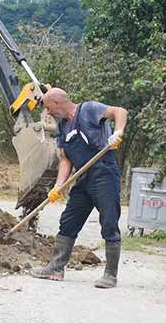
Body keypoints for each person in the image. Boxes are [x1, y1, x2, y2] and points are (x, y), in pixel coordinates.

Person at [30, 88, 127, 289]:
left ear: (57, 102)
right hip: (82, 178)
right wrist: (58, 186)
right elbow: (65, 159)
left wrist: (118, 132)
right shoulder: (62, 127)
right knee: (68, 221)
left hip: (103, 173)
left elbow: (120, 111)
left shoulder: (89, 109)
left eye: (48, 107)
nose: (48, 112)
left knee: (109, 221)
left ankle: (110, 275)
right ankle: (56, 268)